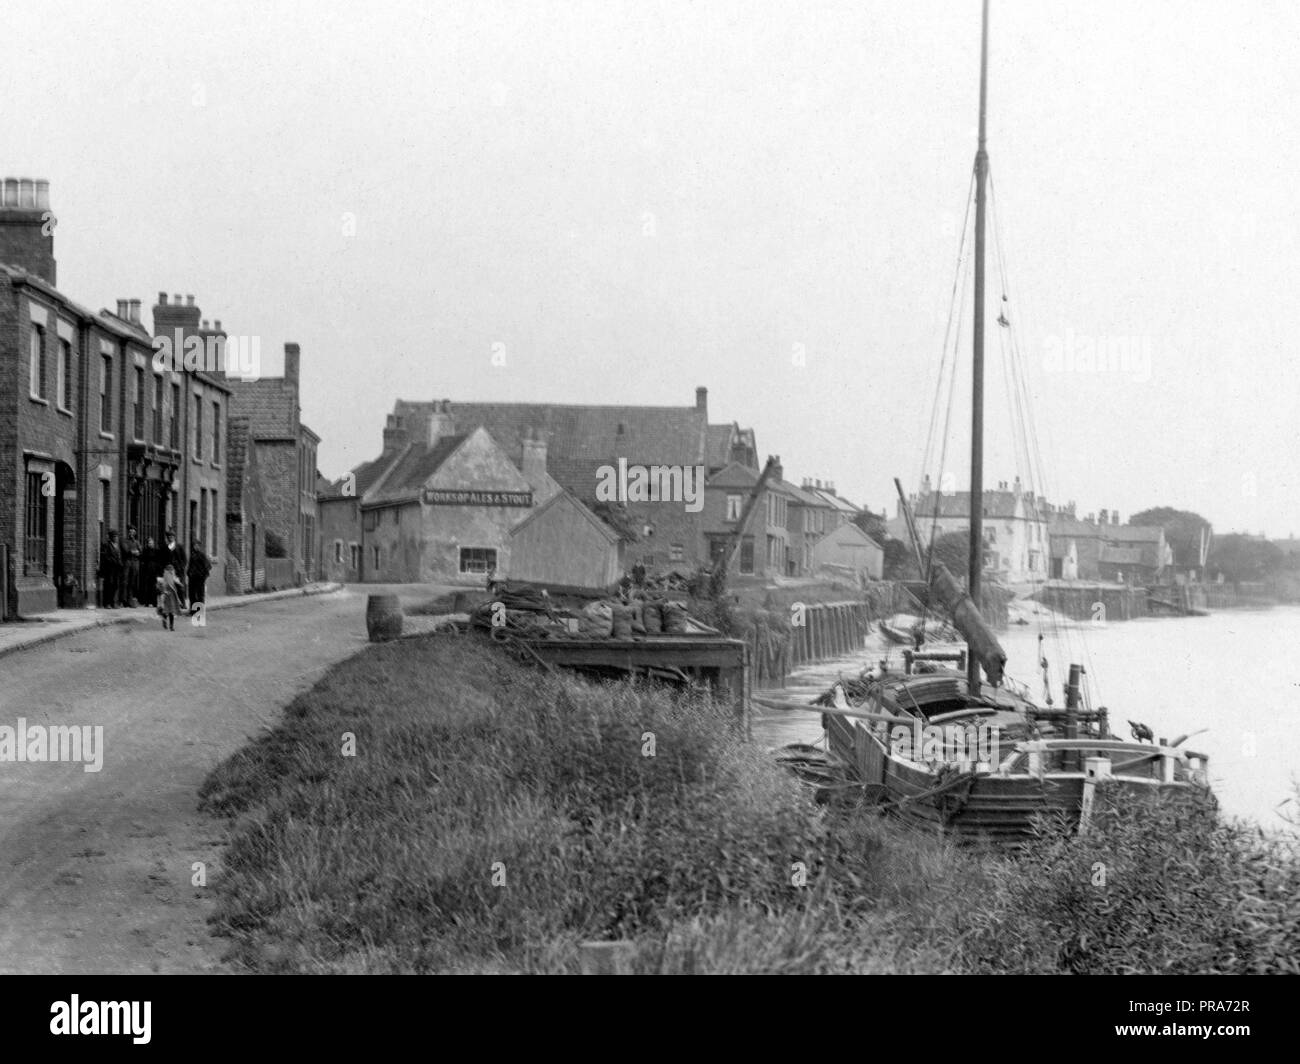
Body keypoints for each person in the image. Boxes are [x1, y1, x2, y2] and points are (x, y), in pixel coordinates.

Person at [98, 531, 122, 609]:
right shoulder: (107, 545)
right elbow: (106, 557)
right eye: (114, 537)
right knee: (109, 585)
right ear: (111, 538)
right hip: (109, 568)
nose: (116, 538)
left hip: (116, 568)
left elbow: (119, 556)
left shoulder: (117, 546)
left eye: (116, 537)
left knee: (115, 585)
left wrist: (120, 563)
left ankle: (113, 602)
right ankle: (107, 603)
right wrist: (113, 561)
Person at [187, 539, 211, 615]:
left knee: (200, 595)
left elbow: (208, 566)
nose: (196, 547)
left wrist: (202, 575)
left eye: (197, 545)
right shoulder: (192, 555)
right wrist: (189, 573)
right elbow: (190, 566)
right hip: (192, 578)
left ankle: (200, 611)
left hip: (199, 578)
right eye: (194, 545)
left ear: (199, 546)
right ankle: (193, 611)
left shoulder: (202, 555)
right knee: (192, 594)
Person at [157, 564, 184, 632]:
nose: (173, 571)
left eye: (172, 569)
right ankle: (166, 621)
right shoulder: (167, 576)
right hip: (168, 595)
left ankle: (170, 625)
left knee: (171, 611)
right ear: (169, 570)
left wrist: (180, 584)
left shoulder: (171, 575)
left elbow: (175, 580)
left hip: (172, 595)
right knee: (169, 611)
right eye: (171, 570)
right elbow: (165, 585)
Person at [122, 527, 142, 607]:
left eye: (133, 532)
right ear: (128, 532)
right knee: (125, 581)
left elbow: (140, 550)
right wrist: (135, 552)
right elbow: (126, 551)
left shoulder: (136, 542)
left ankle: (130, 600)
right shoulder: (125, 541)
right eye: (130, 532)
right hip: (127, 562)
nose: (131, 534)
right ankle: (123, 600)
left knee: (132, 582)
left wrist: (136, 552)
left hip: (135, 563)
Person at [140, 536, 159, 607]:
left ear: (153, 543)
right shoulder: (145, 550)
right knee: (147, 586)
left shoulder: (156, 550)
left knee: (153, 586)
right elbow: (142, 559)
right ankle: (147, 602)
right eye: (149, 543)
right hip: (147, 569)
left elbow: (158, 560)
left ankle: (154, 602)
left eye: (151, 543)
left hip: (154, 570)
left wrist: (157, 570)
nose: (150, 544)